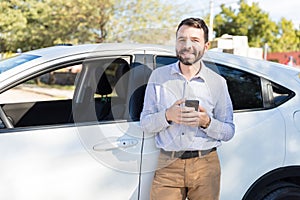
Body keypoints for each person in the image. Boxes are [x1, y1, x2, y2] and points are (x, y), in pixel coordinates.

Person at [140, 17, 235, 200]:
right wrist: (167, 115)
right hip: (168, 165)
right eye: (182, 39)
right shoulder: (158, 77)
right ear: (176, 43)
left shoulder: (217, 83)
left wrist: (206, 122)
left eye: (195, 40)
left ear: (206, 46)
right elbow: (145, 123)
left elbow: (229, 131)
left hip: (206, 166)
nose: (187, 45)